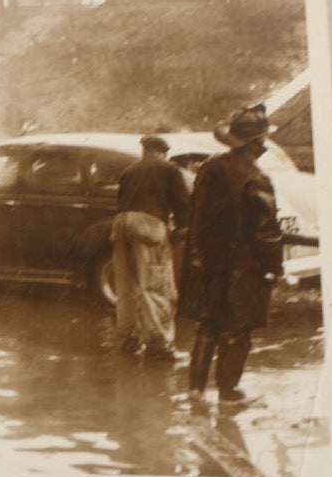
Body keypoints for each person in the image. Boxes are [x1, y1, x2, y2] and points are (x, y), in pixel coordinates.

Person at [178, 104, 284, 404]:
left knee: (208, 324)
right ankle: (228, 393)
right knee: (238, 329)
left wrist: (200, 255)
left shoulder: (210, 166)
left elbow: (196, 212)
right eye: (263, 139)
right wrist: (274, 267)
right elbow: (266, 230)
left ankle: (196, 390)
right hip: (243, 265)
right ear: (257, 142)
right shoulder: (256, 177)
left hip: (209, 262)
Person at [111, 134, 190, 359]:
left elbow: (120, 201)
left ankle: (130, 339)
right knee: (156, 286)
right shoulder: (169, 169)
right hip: (148, 226)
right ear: (163, 152)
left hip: (120, 224)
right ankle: (160, 346)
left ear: (145, 151)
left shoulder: (129, 170)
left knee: (127, 285)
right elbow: (182, 203)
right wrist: (183, 228)